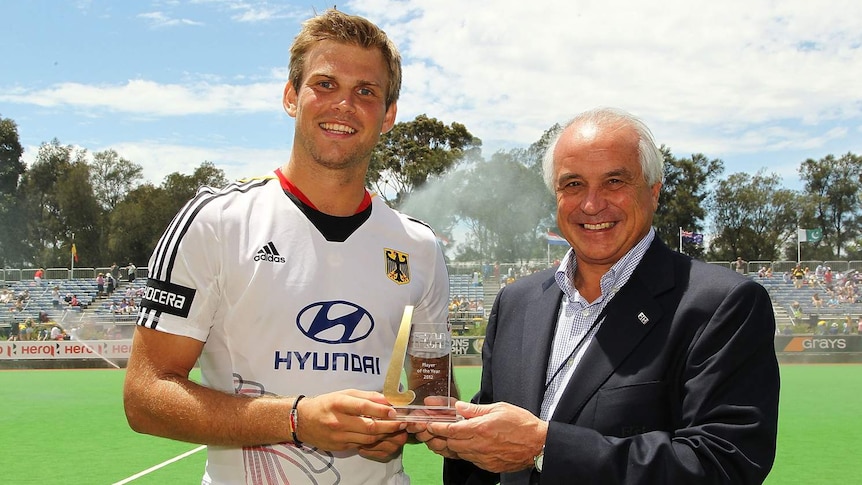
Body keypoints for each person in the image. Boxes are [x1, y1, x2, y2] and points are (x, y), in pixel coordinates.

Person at [123, 9, 450, 485]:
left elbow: (432, 390)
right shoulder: (217, 222)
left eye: (366, 91)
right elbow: (145, 395)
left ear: (389, 116)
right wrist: (297, 419)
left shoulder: (419, 247)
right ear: (291, 97)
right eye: (325, 84)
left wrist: (410, 422)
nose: (343, 104)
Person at [414, 108, 779, 484]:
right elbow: (485, 455)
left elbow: (723, 463)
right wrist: (449, 432)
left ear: (653, 192)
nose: (591, 204)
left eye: (614, 181)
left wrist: (543, 447)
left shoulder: (722, 303)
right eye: (572, 184)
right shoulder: (516, 302)